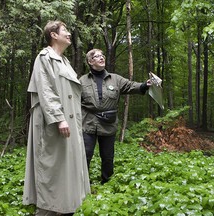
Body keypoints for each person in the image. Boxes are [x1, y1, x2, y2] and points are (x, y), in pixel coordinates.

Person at [23, 20, 90, 216]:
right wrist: (59, 118)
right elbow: (46, 90)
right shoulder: (45, 57)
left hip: (69, 124)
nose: (69, 34)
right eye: (65, 31)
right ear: (53, 35)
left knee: (66, 169)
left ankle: (65, 208)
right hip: (53, 124)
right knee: (52, 169)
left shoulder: (64, 61)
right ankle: (48, 211)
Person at [79, 48, 151, 184]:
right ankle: (82, 185)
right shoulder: (82, 81)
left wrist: (144, 85)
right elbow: (74, 101)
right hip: (88, 123)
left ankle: (106, 183)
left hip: (108, 124)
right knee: (85, 155)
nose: (101, 58)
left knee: (107, 157)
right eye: (97, 56)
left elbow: (131, 86)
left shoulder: (115, 79)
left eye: (102, 55)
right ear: (90, 61)